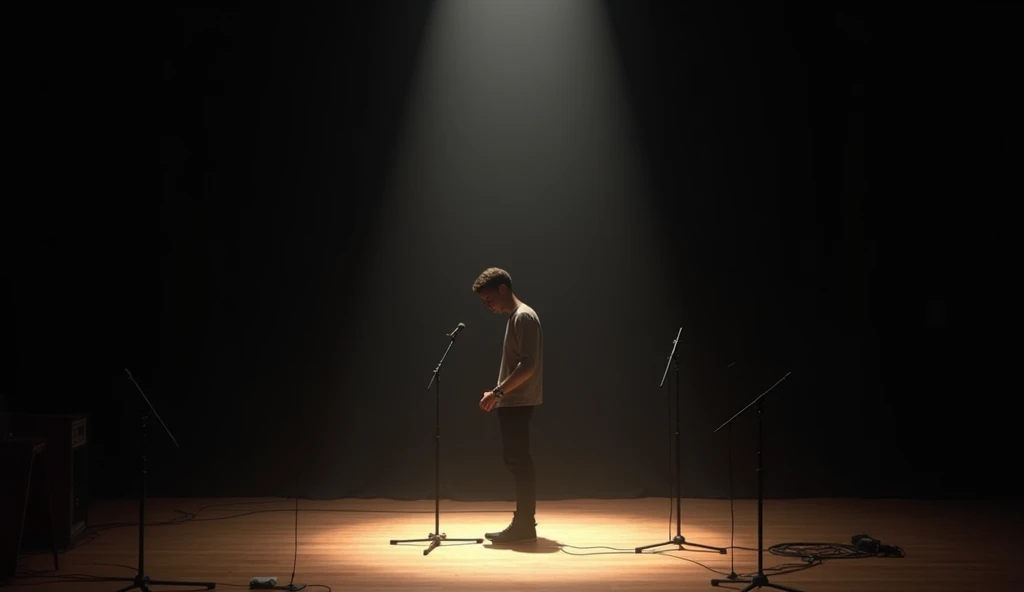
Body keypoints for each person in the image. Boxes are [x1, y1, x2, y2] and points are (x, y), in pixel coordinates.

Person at [472, 267, 543, 544]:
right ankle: (524, 522)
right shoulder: (517, 317)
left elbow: (529, 365)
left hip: (517, 401)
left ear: (502, 289)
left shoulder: (524, 316)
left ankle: (525, 525)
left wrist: (498, 392)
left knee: (520, 462)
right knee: (517, 461)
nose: (487, 305)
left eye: (488, 299)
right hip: (512, 401)